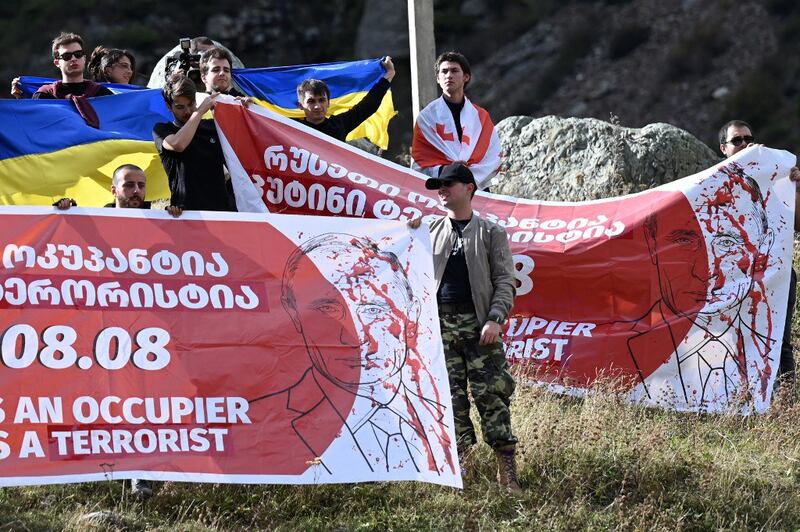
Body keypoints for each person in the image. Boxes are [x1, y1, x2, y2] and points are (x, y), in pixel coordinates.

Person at [250, 233, 455, 477]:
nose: (357, 336)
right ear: (293, 315)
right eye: (328, 310)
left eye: (374, 310)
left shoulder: (441, 417)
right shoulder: (257, 423)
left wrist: (415, 230)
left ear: (411, 315)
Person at [626, 163, 779, 410]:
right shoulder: (623, 343)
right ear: (652, 248)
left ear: (763, 248)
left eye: (728, 243)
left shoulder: (772, 345)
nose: (707, 271)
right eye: (684, 242)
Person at [409, 163, 519, 490]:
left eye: (449, 184)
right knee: (449, 399)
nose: (442, 190)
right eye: (438, 186)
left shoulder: (490, 233)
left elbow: (504, 281)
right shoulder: (428, 229)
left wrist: (495, 319)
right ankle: (463, 472)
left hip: (479, 325)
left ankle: (507, 474)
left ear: (469, 188)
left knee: (492, 395)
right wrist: (408, 230)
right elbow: (400, 253)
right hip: (440, 326)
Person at [718, 120, 798, 388]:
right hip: (732, 276)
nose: (744, 144)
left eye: (748, 139)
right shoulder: (711, 183)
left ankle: (785, 403)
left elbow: (797, 223)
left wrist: (794, 185)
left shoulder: (773, 178)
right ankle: (741, 400)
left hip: (776, 274)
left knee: (778, 342)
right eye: (737, 140)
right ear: (723, 148)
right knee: (731, 340)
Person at [411, 52, 501, 190]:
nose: (448, 75)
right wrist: (449, 170)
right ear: (437, 78)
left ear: (466, 77)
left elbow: (493, 157)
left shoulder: (481, 117)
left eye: (454, 71)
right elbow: (420, 163)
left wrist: (466, 173)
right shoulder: (426, 118)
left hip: (477, 188)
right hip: (442, 188)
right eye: (444, 71)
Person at [152, 73, 236, 212]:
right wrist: (199, 112)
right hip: (184, 214)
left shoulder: (213, 126)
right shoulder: (163, 129)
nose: (187, 111)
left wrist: (244, 108)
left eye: (191, 104)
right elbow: (178, 145)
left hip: (222, 212)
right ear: (168, 106)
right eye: (180, 107)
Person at [294, 56, 395, 142]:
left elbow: (368, 106)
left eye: (322, 100)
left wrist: (390, 73)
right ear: (301, 105)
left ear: (328, 103)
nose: (317, 106)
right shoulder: (292, 127)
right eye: (311, 101)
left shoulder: (339, 125)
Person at [30, 33, 114, 100]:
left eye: (78, 54)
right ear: (57, 63)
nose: (73, 59)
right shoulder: (44, 96)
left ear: (84, 58)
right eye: (67, 56)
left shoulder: (102, 94)